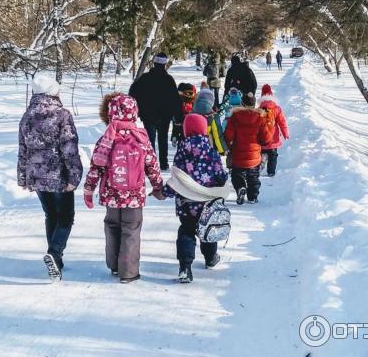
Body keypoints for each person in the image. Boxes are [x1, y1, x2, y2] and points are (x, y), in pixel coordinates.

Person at [83, 93, 164, 283]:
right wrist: (158, 186)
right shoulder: (141, 138)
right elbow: (152, 165)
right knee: (131, 229)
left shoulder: (107, 139)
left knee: (112, 227)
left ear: (110, 114)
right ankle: (128, 271)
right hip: (134, 196)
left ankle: (113, 265)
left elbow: (96, 166)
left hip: (111, 194)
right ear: (134, 113)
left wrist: (89, 189)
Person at [17, 72, 83, 281]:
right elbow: (69, 147)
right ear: (53, 92)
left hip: (36, 176)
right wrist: (74, 176)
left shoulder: (27, 116)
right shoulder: (62, 115)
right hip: (59, 176)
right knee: (65, 217)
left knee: (51, 215)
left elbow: (22, 149)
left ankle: (57, 259)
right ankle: (54, 254)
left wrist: (23, 176)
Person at [163, 114, 229, 283]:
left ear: (185, 130)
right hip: (207, 203)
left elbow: (177, 178)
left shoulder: (182, 151)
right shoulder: (211, 151)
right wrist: (220, 182)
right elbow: (221, 175)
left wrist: (165, 192)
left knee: (187, 231)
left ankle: (185, 267)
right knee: (207, 230)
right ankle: (210, 258)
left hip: (186, 205)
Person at [129, 52, 181, 170]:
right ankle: (163, 163)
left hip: (148, 115)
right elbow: (175, 99)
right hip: (165, 116)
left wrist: (136, 110)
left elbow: (132, 92)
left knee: (150, 139)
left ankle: (150, 163)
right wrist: (178, 117)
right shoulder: (168, 80)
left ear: (154, 62)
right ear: (165, 64)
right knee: (163, 139)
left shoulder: (145, 78)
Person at [224, 93, 274, 205]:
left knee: (237, 175)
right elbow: (266, 138)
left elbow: (228, 135)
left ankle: (240, 188)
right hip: (254, 156)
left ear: (242, 103)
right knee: (253, 177)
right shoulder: (260, 118)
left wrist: (228, 145)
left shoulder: (235, 117)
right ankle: (252, 197)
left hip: (238, 154)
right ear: (254, 104)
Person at [258, 84, 289, 177]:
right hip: (273, 138)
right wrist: (285, 133)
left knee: (262, 153)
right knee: (273, 155)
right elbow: (282, 122)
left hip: (263, 137)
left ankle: (261, 163)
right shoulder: (277, 109)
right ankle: (271, 172)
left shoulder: (259, 109)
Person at [192, 85, 227, 156]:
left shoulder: (191, 113)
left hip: (192, 146)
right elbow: (217, 134)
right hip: (207, 147)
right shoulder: (212, 116)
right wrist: (223, 150)